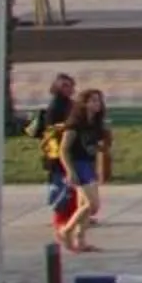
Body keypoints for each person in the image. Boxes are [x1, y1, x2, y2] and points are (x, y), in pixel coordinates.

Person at [55, 90, 109, 253]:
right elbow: (63, 150)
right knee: (92, 205)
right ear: (83, 103)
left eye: (98, 101)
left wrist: (103, 145)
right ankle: (66, 231)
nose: (96, 104)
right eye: (92, 101)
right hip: (78, 165)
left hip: (89, 164)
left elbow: (96, 146)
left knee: (83, 205)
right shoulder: (74, 125)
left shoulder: (96, 123)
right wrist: (70, 171)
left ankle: (81, 240)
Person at [26, 74, 76, 219]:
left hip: (66, 147)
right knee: (59, 179)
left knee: (67, 179)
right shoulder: (55, 106)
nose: (70, 88)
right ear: (57, 88)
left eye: (71, 85)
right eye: (65, 86)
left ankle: (71, 210)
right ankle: (60, 209)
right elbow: (51, 130)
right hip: (56, 149)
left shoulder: (69, 103)